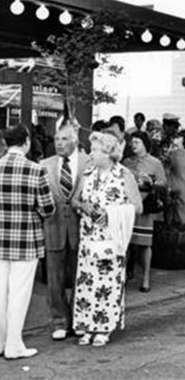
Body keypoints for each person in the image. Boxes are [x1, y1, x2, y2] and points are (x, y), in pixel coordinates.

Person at [0, 124, 55, 359]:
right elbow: (47, 208)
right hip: (26, 239)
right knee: (19, 294)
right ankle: (14, 344)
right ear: (26, 141)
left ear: (5, 143)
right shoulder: (35, 170)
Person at [72, 132, 142, 347]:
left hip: (111, 237)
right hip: (88, 237)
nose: (91, 154)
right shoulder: (87, 173)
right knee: (86, 282)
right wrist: (83, 206)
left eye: (95, 150)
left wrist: (111, 213)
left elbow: (137, 206)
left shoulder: (124, 175)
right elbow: (74, 200)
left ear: (108, 153)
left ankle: (103, 327)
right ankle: (86, 325)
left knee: (107, 282)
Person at [41, 121, 91, 341]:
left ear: (75, 140)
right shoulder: (44, 164)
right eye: (56, 139)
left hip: (83, 228)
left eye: (64, 139)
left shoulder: (90, 162)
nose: (59, 143)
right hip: (54, 226)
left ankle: (80, 319)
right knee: (55, 279)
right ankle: (59, 321)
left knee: (81, 276)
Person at [123, 131, 166, 292]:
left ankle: (146, 277)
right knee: (125, 243)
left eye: (137, 142)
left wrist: (152, 181)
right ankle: (123, 275)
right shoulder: (127, 162)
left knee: (144, 244)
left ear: (145, 144)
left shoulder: (155, 163)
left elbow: (164, 184)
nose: (133, 145)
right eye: (132, 142)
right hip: (128, 206)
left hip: (145, 205)